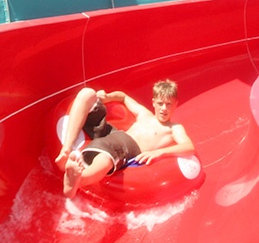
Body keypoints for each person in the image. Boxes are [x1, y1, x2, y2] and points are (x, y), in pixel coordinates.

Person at [56, 80, 195, 198]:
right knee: (87, 93)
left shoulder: (173, 128)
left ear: (176, 104)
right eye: (160, 103)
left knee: (106, 158)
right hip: (113, 134)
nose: (164, 108)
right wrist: (108, 97)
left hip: (127, 148)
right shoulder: (144, 114)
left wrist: (160, 152)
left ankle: (78, 179)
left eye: (168, 104)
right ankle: (66, 148)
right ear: (153, 102)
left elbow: (189, 147)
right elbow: (123, 97)